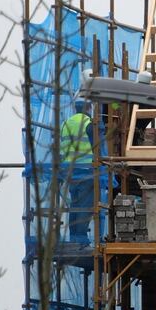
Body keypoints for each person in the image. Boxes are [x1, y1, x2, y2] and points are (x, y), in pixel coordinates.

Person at [60, 98, 95, 243]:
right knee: (85, 206)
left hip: (70, 172)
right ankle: (80, 239)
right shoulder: (89, 124)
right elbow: (98, 148)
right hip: (86, 170)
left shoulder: (66, 123)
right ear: (88, 108)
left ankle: (74, 236)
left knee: (75, 204)